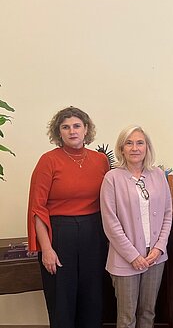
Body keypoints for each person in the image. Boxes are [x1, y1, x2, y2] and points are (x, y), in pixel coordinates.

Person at [27, 106, 110, 328]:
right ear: (58, 132)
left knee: (92, 299)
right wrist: (46, 249)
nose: (72, 131)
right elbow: (37, 208)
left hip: (94, 234)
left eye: (76, 126)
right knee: (61, 302)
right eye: (65, 127)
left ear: (86, 130)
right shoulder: (48, 161)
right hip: (59, 236)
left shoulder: (101, 161)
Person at [100, 126, 173, 328]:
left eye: (140, 143)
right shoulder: (112, 178)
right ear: (121, 149)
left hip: (155, 258)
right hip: (125, 259)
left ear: (147, 147)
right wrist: (133, 256)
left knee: (148, 313)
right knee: (126, 317)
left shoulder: (158, 174)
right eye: (129, 143)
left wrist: (159, 248)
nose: (135, 148)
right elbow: (110, 223)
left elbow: (167, 213)